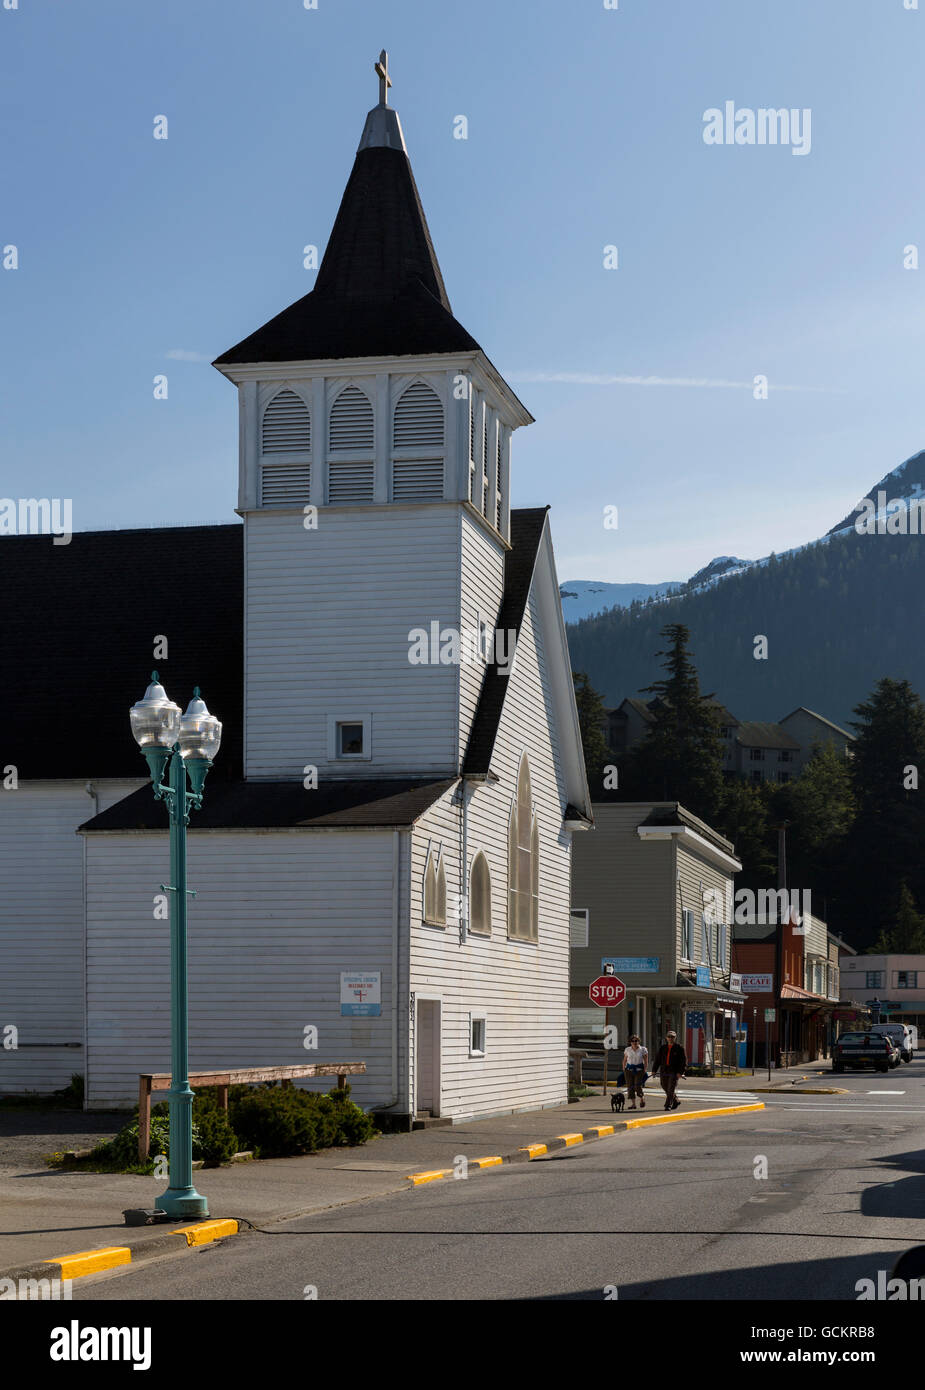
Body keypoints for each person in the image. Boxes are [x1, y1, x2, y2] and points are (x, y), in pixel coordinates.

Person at [653, 1030, 687, 1110]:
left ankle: (668, 1105)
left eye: (672, 1037)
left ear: (675, 1038)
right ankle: (676, 1100)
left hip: (674, 1071)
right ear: (666, 1038)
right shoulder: (663, 1048)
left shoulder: (679, 1048)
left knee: (671, 1088)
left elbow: (683, 1061)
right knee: (664, 1086)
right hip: (664, 1070)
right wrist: (654, 1070)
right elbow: (657, 1060)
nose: (670, 1038)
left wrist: (680, 1072)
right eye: (669, 1037)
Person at [622, 1034, 648, 1110]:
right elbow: (625, 1059)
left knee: (637, 1085)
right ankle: (633, 1104)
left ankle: (642, 1099)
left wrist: (645, 1069)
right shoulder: (627, 1049)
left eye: (636, 1040)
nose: (634, 1042)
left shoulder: (643, 1049)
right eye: (632, 1041)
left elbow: (646, 1060)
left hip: (639, 1070)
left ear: (639, 1041)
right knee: (630, 1086)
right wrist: (624, 1068)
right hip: (629, 1070)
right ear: (630, 1042)